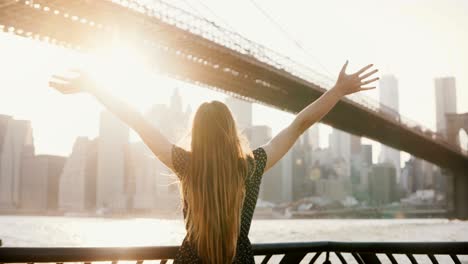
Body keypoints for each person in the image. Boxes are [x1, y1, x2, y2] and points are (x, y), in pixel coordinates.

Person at [50, 60, 378, 264]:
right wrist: (336, 91)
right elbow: (297, 125)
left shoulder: (185, 164)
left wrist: (94, 87)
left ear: (197, 133)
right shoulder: (251, 165)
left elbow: (137, 120)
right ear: (232, 131)